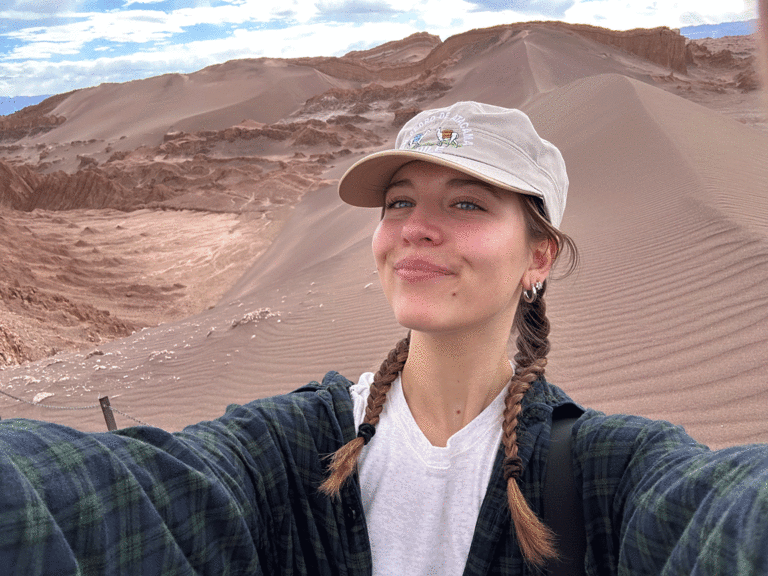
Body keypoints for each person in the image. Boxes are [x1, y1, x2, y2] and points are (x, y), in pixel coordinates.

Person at [1, 101, 767, 576]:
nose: (415, 229)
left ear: (538, 256)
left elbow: (721, 518)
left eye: (467, 204)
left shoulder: (608, 470)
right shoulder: (291, 447)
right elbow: (113, 496)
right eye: (399, 201)